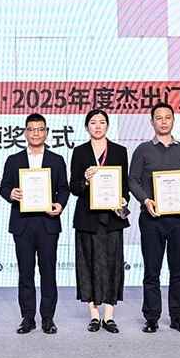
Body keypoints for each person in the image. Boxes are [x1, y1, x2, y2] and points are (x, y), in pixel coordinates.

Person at [128, 102, 180, 334]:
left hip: (179, 219)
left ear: (173, 120)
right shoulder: (143, 150)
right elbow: (132, 180)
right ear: (152, 122)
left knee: (178, 270)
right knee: (152, 270)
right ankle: (151, 317)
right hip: (151, 218)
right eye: (159, 118)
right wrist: (145, 200)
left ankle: (178, 317)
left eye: (168, 117)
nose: (164, 121)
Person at [0, 114, 70, 334]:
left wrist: (59, 205)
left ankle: (48, 318)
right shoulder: (14, 160)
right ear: (25, 133)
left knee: (48, 272)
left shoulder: (57, 160)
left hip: (48, 223)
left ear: (46, 132)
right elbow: (4, 187)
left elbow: (64, 189)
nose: (36, 133)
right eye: (31, 129)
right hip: (22, 224)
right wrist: (11, 193)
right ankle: (27, 318)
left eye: (40, 129)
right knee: (25, 273)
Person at [70, 109, 130, 333]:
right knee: (88, 264)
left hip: (112, 218)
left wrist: (123, 198)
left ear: (108, 125)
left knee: (113, 264)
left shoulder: (120, 151)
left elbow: (124, 186)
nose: (97, 126)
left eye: (102, 122)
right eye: (93, 122)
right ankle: (94, 315)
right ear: (87, 127)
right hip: (87, 218)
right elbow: (73, 187)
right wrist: (85, 181)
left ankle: (109, 316)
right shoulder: (79, 152)